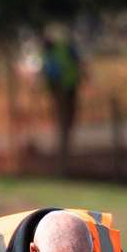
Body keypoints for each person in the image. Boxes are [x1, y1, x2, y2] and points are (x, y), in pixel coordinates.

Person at [40, 26, 81, 174]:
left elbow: (76, 63)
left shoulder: (61, 49)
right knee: (63, 119)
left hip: (67, 87)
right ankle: (63, 150)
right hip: (60, 89)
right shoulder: (50, 52)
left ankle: (65, 150)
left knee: (67, 118)